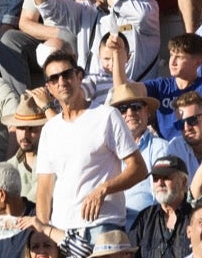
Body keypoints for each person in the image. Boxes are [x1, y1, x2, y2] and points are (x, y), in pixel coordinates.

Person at [33, 51, 146, 233]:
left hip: (102, 224)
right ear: (49, 88)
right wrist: (43, 232)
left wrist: (104, 189)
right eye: (54, 78)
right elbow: (44, 189)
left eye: (67, 74)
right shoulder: (49, 129)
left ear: (79, 77)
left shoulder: (106, 115)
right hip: (62, 229)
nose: (62, 82)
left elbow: (139, 168)